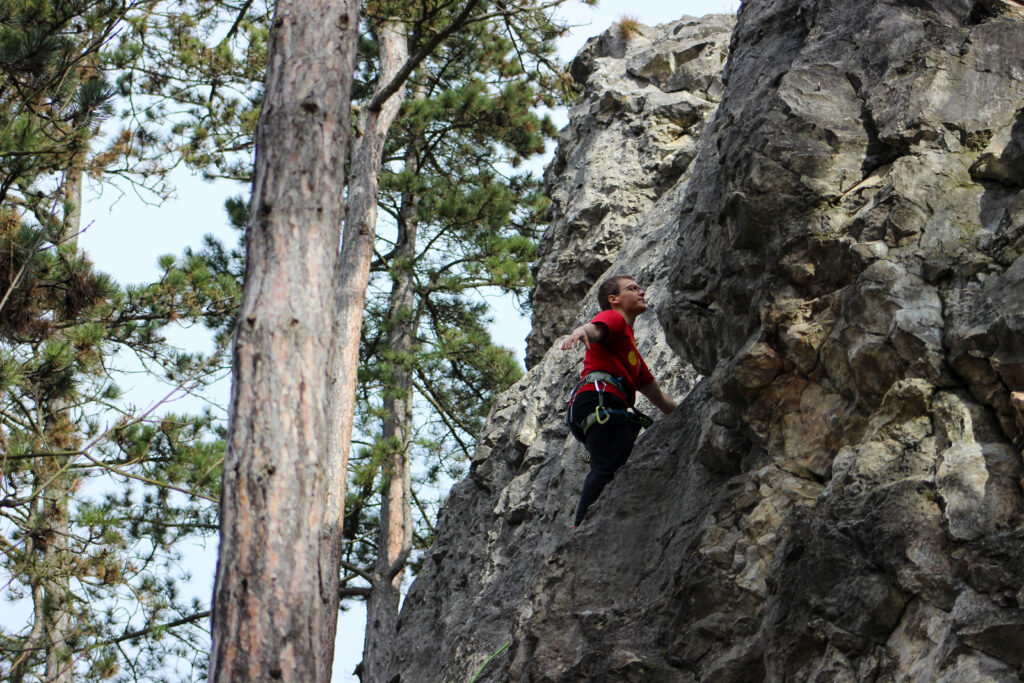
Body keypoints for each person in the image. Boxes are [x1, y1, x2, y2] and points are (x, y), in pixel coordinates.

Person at [561, 274, 676, 528]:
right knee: (605, 466)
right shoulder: (615, 320)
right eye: (632, 288)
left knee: (613, 462)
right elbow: (596, 328)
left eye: (640, 288)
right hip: (600, 399)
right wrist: (580, 331)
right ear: (613, 299)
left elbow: (660, 399)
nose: (641, 292)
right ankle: (580, 527)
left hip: (597, 403)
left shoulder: (630, 351)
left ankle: (593, 522)